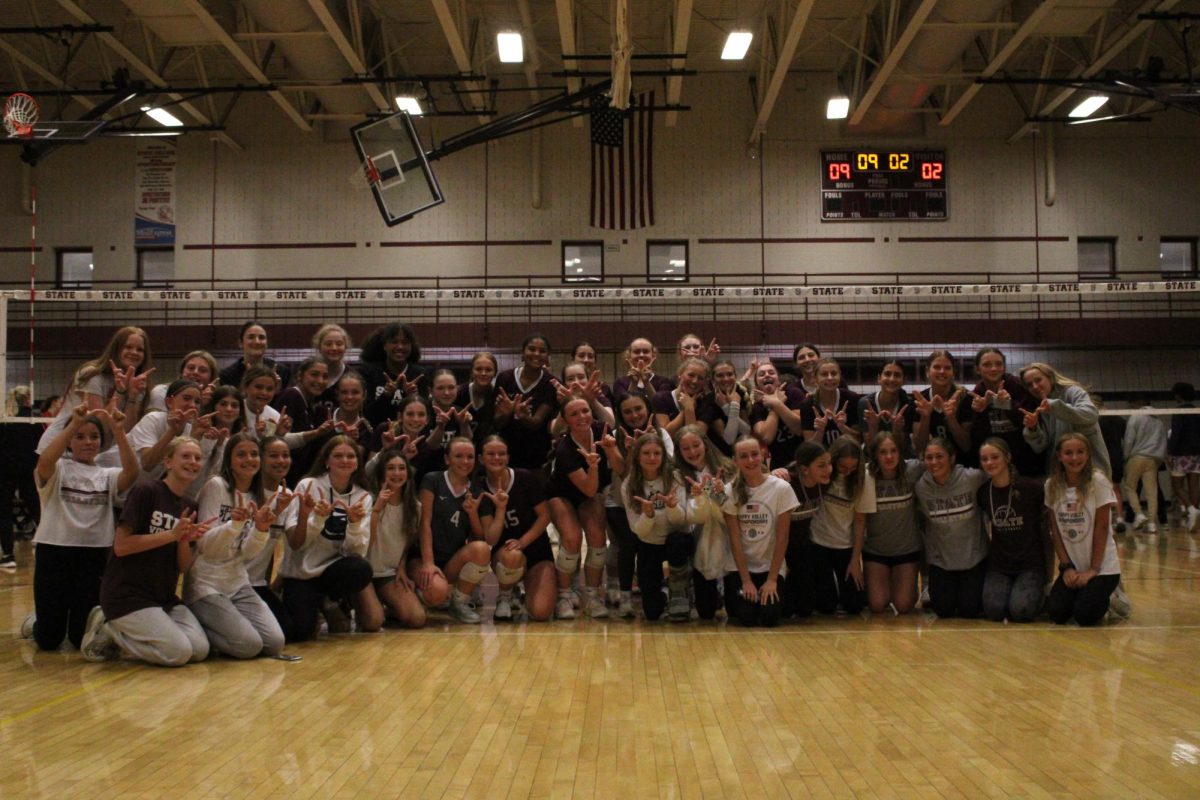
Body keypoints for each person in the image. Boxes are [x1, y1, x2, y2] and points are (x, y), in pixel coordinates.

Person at [81, 436, 212, 666]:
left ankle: (122, 633)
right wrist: (171, 534)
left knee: (199, 650)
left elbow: (183, 567)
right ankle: (109, 627)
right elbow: (121, 546)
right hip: (127, 596)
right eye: (186, 456)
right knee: (178, 653)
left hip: (163, 597)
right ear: (168, 462)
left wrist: (182, 541)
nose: (193, 461)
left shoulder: (190, 506)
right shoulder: (146, 491)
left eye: (197, 458)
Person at [23, 403, 138, 650]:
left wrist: (118, 431)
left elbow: (133, 472)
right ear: (69, 442)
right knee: (48, 641)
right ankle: (37, 622)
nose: (88, 442)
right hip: (54, 550)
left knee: (78, 638)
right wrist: (74, 423)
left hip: (93, 554)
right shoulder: (58, 468)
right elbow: (44, 461)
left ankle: (59, 622)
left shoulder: (107, 475)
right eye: (80, 437)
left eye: (94, 437)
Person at [186, 432, 287, 658]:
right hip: (207, 583)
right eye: (241, 454)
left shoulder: (255, 495)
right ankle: (197, 623)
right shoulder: (216, 486)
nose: (249, 459)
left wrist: (260, 528)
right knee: (248, 646)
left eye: (253, 454)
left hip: (238, 581)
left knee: (275, 643)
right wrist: (234, 525)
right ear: (229, 460)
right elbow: (205, 545)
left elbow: (248, 553)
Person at [279, 435, 374, 641]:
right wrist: (317, 520)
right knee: (300, 633)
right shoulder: (308, 486)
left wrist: (355, 524)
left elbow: (356, 553)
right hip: (301, 573)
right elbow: (297, 543)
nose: (344, 460)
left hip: (333, 572)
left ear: (358, 463)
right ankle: (310, 605)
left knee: (361, 569)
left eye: (350, 456)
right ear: (326, 461)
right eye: (338, 455)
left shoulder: (363, 497)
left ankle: (331, 601)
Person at [547, 398, 622, 618]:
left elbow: (620, 468)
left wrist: (611, 451)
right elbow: (589, 490)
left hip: (590, 491)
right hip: (561, 493)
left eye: (585, 411)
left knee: (598, 540)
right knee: (571, 539)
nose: (582, 417)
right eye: (574, 414)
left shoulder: (602, 430)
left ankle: (592, 596)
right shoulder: (565, 448)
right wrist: (592, 465)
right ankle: (564, 595)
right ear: (566, 420)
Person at [38, 326, 155, 460]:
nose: (134, 352)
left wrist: (133, 396)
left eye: (140, 349)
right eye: (128, 347)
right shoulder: (92, 374)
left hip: (94, 451)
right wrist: (121, 391)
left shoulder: (137, 383)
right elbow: (99, 424)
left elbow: (126, 430)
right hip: (62, 448)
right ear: (116, 349)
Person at [1045, 433, 1126, 625]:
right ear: (1059, 456)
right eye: (1068, 453)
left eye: (1080, 452)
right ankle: (1085, 593)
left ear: (1088, 454)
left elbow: (1102, 526)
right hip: (1073, 568)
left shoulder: (1098, 481)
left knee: (1085, 616)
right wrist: (1066, 567)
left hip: (1102, 568)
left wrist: (1093, 570)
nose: (1074, 458)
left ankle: (1113, 599)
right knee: (1057, 613)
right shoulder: (1052, 485)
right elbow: (1055, 530)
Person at [476, 436, 557, 622]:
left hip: (535, 549)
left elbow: (545, 516)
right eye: (491, 454)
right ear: (480, 458)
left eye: (501, 453)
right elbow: (491, 539)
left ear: (508, 457)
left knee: (541, 612)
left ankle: (526, 588)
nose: (497, 458)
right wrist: (501, 508)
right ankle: (505, 597)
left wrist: (523, 542)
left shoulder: (525, 478)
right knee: (512, 556)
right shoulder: (480, 488)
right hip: (505, 554)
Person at [721, 436, 799, 627]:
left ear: (763, 454)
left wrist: (772, 579)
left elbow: (782, 538)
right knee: (746, 618)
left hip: (770, 568)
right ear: (735, 460)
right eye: (744, 456)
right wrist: (745, 580)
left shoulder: (781, 488)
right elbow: (735, 538)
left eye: (755, 454)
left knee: (770, 617)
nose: (750, 460)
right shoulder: (730, 491)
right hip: (741, 569)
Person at [412, 437, 492, 623]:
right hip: (422, 556)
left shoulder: (478, 491)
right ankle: (420, 592)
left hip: (451, 560)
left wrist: (472, 513)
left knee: (481, 549)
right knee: (435, 594)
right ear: (447, 459)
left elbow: (480, 537)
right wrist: (428, 563)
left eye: (470, 457)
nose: (465, 462)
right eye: (458, 456)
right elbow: (424, 522)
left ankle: (459, 602)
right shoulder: (433, 480)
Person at [913, 437, 988, 619]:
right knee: (943, 610)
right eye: (929, 458)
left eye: (939, 456)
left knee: (969, 610)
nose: (934, 462)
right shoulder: (922, 488)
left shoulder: (973, 478)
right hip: (942, 562)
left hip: (973, 558)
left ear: (952, 458)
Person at [977, 438, 1046, 623]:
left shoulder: (1031, 488)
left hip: (1030, 564)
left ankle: (1040, 595)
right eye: (984, 459)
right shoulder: (984, 492)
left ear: (1008, 457)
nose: (989, 463)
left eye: (994, 457)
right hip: (1000, 565)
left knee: (1021, 611)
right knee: (994, 611)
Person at [358, 448, 427, 630]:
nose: (397, 473)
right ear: (382, 472)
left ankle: (385, 603)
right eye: (391, 468)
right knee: (373, 623)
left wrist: (402, 566)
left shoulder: (415, 507)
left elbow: (407, 543)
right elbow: (367, 542)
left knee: (417, 618)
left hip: (388, 573)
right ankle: (355, 603)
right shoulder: (367, 499)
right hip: (363, 572)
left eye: (401, 468)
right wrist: (377, 510)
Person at [624, 432, 690, 621]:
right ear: (637, 456)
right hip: (649, 543)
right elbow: (638, 531)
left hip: (675, 539)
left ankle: (679, 591)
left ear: (663, 456)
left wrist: (672, 507)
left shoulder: (675, 477)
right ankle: (661, 593)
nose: (652, 458)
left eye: (657, 453)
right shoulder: (629, 485)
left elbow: (681, 521)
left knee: (677, 540)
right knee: (652, 613)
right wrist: (649, 515)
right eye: (646, 453)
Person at [806, 436, 873, 615]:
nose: (847, 472)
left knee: (855, 605)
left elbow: (860, 521)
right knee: (825, 606)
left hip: (845, 545)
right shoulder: (822, 472)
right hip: (818, 543)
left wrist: (855, 561)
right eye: (842, 467)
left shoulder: (863, 479)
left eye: (852, 468)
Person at [675, 425, 733, 620]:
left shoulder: (729, 468)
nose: (692, 452)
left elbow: (730, 514)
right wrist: (700, 499)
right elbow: (692, 518)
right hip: (697, 542)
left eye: (696, 445)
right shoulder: (678, 476)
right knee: (706, 613)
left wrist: (715, 494)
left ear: (705, 445)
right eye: (686, 448)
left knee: (738, 612)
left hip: (731, 540)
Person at [863, 432, 924, 615]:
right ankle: (885, 583)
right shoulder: (866, 476)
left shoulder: (912, 470)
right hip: (876, 551)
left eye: (893, 451)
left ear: (900, 452)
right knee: (877, 605)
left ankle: (904, 584)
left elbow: (937, 462)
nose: (889, 457)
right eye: (883, 452)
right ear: (875, 455)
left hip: (906, 550)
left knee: (904, 606)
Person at [1020, 362, 1111, 478]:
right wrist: (1032, 428)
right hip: (1061, 476)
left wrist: (1055, 407)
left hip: (1092, 473)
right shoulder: (1042, 407)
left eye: (1038, 380)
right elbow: (1040, 447)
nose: (1035, 386)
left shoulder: (1072, 392)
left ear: (1050, 378)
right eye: (1029, 385)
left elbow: (1090, 414)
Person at [968, 348, 1041, 477]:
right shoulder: (977, 394)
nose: (993, 368)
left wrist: (1008, 405)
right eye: (987, 365)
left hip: (1025, 460)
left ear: (1004, 367)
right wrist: (980, 413)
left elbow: (1031, 422)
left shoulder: (1017, 385)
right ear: (977, 369)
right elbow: (978, 437)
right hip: (994, 462)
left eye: (998, 364)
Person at [494, 333, 557, 470]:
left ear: (547, 356)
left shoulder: (551, 383)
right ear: (522, 352)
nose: (536, 354)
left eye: (542, 351)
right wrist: (507, 413)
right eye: (532, 349)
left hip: (538, 456)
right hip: (506, 454)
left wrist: (523, 416)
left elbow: (537, 422)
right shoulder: (505, 378)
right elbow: (498, 423)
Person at [784, 441, 832, 619]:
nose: (828, 469)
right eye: (821, 465)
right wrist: (771, 471)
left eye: (829, 463)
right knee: (783, 612)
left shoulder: (824, 482)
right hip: (779, 548)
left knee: (806, 610)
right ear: (804, 470)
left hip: (803, 547)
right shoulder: (786, 483)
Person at [273, 356, 336, 483]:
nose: (320, 380)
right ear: (300, 375)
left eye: (325, 376)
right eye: (314, 374)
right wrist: (316, 433)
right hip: (285, 477)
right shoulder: (291, 396)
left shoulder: (314, 406)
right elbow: (283, 440)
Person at [0, 386, 41, 568]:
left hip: (5, 467)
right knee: (36, 505)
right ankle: (43, 542)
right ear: (26, 399)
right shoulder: (31, 417)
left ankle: (8, 555)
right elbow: (41, 442)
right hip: (28, 467)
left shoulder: (4, 418)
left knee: (4, 511)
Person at [359, 321, 428, 427]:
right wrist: (386, 396)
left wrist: (413, 396)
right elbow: (367, 414)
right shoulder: (368, 373)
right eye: (394, 342)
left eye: (405, 342)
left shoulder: (420, 375)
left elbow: (426, 415)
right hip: (377, 432)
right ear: (384, 345)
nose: (400, 346)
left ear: (411, 346)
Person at [912, 350, 972, 460]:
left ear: (953, 373)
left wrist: (951, 418)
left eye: (947, 368)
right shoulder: (920, 400)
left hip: (962, 465)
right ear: (927, 371)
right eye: (937, 367)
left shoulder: (965, 398)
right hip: (932, 465)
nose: (942, 371)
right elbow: (919, 449)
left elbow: (966, 446)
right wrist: (925, 417)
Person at [1122, 397, 1168, 533]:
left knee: (1130, 487)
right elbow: (1163, 440)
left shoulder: (1135, 416)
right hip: (1153, 459)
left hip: (1136, 456)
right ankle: (1152, 524)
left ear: (1138, 403)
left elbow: (1129, 439)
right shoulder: (1159, 421)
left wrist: (1126, 456)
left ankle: (1139, 514)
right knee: (1152, 492)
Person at [749, 360, 805, 470]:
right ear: (757, 385)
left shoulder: (793, 393)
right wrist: (776, 404)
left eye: (771, 372)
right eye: (761, 374)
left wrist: (777, 404)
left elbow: (799, 428)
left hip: (804, 461)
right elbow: (766, 437)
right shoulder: (757, 408)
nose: (766, 375)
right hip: (779, 467)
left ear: (778, 381)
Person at [802, 358, 861, 447]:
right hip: (822, 459)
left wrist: (842, 427)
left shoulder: (852, 399)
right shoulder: (807, 405)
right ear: (815, 378)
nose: (830, 378)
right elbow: (809, 449)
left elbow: (859, 441)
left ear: (840, 376)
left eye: (834, 373)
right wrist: (820, 431)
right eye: (824, 374)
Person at [858, 360, 914, 452]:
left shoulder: (908, 404)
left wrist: (897, 430)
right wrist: (873, 427)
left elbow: (903, 448)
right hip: (874, 459)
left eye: (897, 375)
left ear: (904, 380)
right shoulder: (865, 403)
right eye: (887, 374)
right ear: (879, 378)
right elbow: (870, 449)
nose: (892, 379)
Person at [1167, 382, 1200, 531]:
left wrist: (1170, 452)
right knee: (1194, 484)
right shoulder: (1197, 410)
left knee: (1177, 485)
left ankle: (1191, 510)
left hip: (1182, 453)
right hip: (1197, 453)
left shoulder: (1179, 411)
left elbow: (1176, 434)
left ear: (1178, 395)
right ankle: (1194, 515)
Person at [218, 321, 290, 390]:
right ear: (240, 343)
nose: (257, 342)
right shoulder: (227, 376)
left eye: (261, 337)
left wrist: (277, 390)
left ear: (266, 344)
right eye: (251, 337)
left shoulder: (281, 372)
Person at [652, 357, 712, 439]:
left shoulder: (706, 404)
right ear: (680, 375)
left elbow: (695, 439)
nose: (695, 381)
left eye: (700, 378)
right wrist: (685, 410)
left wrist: (689, 409)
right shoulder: (660, 398)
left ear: (704, 382)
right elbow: (667, 435)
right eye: (691, 375)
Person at [147, 351, 218, 413]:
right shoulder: (161, 392)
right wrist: (201, 404)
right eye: (191, 368)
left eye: (202, 370)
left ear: (211, 378)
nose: (195, 372)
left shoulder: (218, 401)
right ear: (181, 372)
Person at [707, 359, 752, 457]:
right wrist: (732, 406)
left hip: (742, 453)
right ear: (713, 380)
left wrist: (728, 408)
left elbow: (746, 431)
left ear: (735, 377)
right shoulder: (709, 400)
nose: (726, 379)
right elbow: (729, 439)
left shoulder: (740, 393)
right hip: (719, 455)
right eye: (720, 375)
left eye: (729, 374)